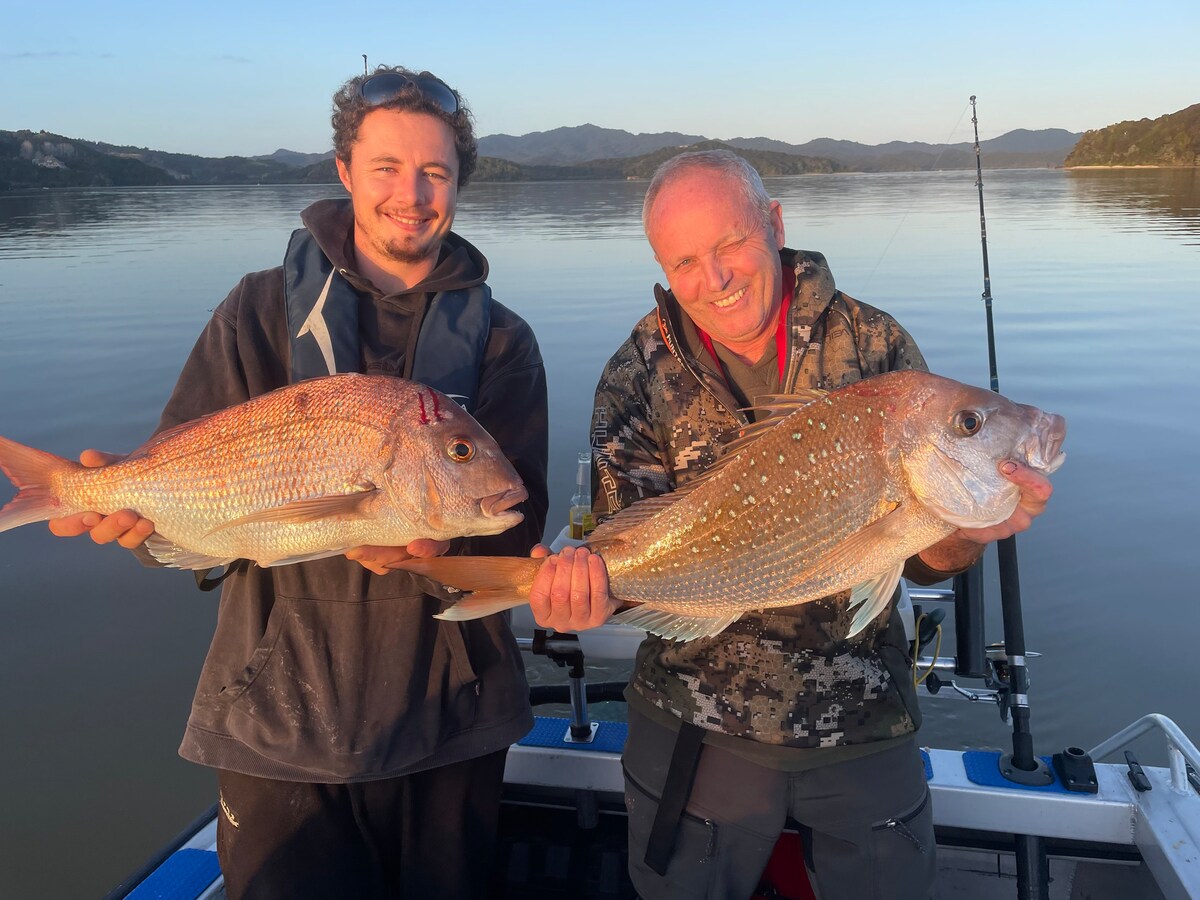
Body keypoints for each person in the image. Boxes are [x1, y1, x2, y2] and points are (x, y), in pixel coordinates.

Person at [48, 66, 548, 899]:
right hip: (276, 720)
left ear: (460, 181)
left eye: (435, 171)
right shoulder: (253, 312)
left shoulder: (502, 341)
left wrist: (443, 543)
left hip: (451, 718)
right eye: (386, 167)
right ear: (345, 170)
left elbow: (512, 524)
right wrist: (140, 526)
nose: (411, 193)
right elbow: (181, 495)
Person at [527, 149, 1054, 900]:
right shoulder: (635, 372)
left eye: (730, 244)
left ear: (773, 223)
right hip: (693, 723)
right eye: (684, 262)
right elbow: (624, 546)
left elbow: (922, 557)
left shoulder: (875, 350)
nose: (715, 279)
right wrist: (581, 591)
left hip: (862, 716)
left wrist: (973, 528)